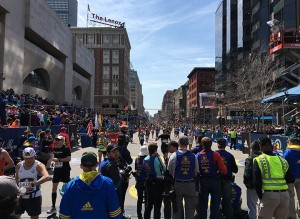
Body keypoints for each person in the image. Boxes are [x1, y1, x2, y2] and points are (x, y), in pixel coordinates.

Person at [59, 151, 122, 219]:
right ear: (97, 164)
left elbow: (64, 214)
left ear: (81, 166)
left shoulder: (71, 185)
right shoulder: (107, 183)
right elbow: (115, 213)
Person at [253, 137, 294, 219]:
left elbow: (256, 181)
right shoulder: (282, 160)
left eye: (260, 145)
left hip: (269, 195)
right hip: (284, 196)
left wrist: (261, 197)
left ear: (263, 146)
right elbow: (291, 179)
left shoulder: (258, 160)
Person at [196, 137, 227, 219]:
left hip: (203, 182)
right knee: (215, 205)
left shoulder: (198, 155)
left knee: (203, 205)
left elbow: (196, 172)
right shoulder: (215, 155)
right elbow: (224, 170)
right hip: (214, 181)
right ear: (211, 145)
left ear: (202, 145)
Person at [168, 136, 198, 219]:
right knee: (190, 209)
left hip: (178, 183)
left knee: (177, 208)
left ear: (179, 144)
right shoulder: (193, 156)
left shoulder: (173, 156)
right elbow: (196, 172)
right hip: (190, 184)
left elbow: (169, 170)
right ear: (188, 144)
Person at [15, 147, 49, 219]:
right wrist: (17, 192)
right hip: (21, 196)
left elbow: (46, 176)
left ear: (34, 156)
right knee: (15, 216)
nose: (28, 160)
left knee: (34, 217)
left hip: (34, 197)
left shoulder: (38, 165)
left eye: (30, 157)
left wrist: (33, 184)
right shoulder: (19, 165)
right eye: (26, 158)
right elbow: (16, 179)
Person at [47, 135, 71, 214]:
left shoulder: (66, 148)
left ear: (63, 141)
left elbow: (69, 159)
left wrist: (59, 159)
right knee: (54, 188)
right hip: (57, 170)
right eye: (56, 140)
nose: (57, 141)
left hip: (65, 170)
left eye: (58, 140)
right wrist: (53, 163)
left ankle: (69, 205)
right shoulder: (55, 148)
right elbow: (54, 158)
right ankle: (53, 206)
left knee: (67, 188)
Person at [216, 138, 238, 219]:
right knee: (227, 201)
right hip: (227, 179)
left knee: (216, 200)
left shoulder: (213, 154)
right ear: (225, 145)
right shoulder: (229, 155)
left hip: (216, 180)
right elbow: (235, 169)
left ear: (218, 145)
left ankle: (217, 216)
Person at [143, 143, 166, 219]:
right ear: (155, 150)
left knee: (149, 204)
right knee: (157, 205)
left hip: (148, 183)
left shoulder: (145, 159)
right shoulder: (157, 158)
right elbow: (164, 169)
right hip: (157, 183)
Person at [100, 144, 123, 212]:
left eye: (117, 151)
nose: (116, 154)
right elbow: (117, 183)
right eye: (113, 152)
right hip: (112, 193)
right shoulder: (111, 164)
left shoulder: (104, 162)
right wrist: (122, 177)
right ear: (108, 153)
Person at [243, 140, 261, 219]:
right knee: (261, 205)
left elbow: (247, 173)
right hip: (265, 184)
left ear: (252, 148)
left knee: (252, 206)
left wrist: (246, 182)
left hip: (252, 185)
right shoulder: (264, 157)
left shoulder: (251, 158)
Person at [283, 136, 300, 219]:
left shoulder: (288, 152)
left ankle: (292, 215)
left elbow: (283, 164)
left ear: (291, 143)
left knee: (291, 196)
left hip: (291, 178)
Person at [134, 146, 148, 219]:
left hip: (139, 182)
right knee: (146, 199)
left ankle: (139, 215)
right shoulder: (147, 160)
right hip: (146, 181)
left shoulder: (137, 159)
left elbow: (136, 170)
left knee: (139, 199)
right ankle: (146, 215)